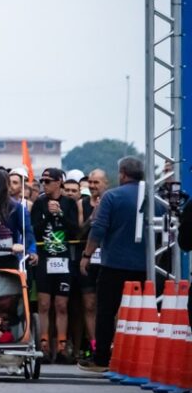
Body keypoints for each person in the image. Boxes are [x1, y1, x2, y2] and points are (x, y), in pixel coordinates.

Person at [78, 157, 163, 373]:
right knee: (145, 313)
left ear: (122, 174)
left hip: (113, 265)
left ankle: (101, 359)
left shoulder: (111, 197)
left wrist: (87, 255)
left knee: (106, 312)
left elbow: (98, 230)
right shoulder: (155, 199)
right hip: (146, 268)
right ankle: (144, 358)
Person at [30, 168, 79, 364]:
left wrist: (60, 214)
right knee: (43, 304)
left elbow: (75, 231)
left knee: (61, 305)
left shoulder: (69, 203)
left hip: (63, 260)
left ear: (59, 182)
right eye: (42, 180)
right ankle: (43, 345)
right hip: (44, 259)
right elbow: (34, 231)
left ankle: (61, 347)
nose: (44, 184)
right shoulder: (39, 204)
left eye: (48, 180)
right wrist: (49, 217)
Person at [77, 168, 108, 358]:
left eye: (97, 182)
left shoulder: (111, 201)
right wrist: (93, 214)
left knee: (106, 305)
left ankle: (109, 343)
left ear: (106, 184)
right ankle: (94, 343)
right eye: (91, 182)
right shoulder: (82, 203)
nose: (93, 186)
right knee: (89, 304)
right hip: (88, 258)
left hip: (106, 259)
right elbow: (80, 232)